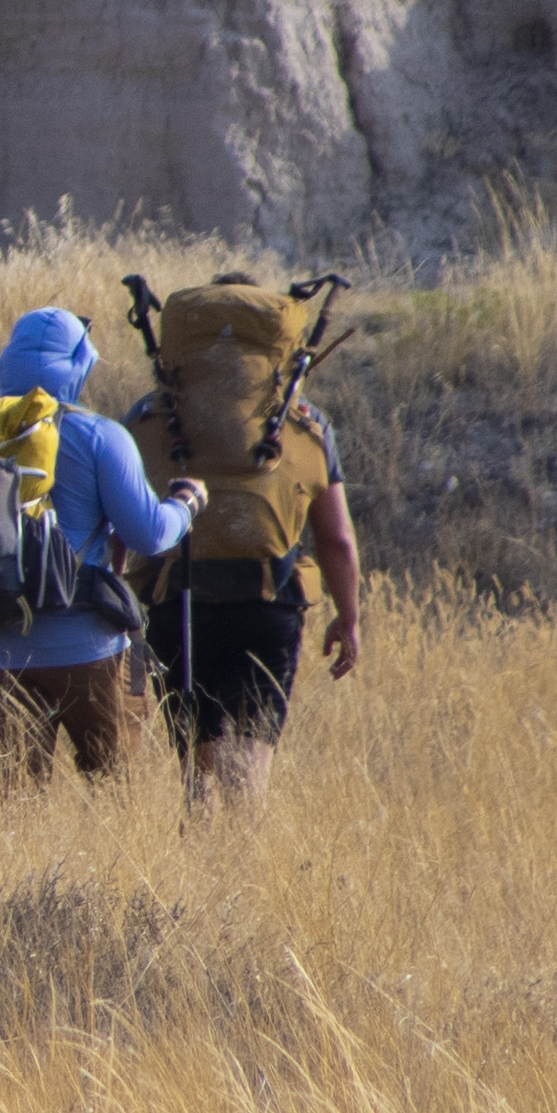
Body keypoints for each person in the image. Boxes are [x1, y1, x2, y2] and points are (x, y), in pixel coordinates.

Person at [126, 310, 369, 809]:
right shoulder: (304, 423)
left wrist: (120, 614)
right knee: (249, 761)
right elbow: (338, 539)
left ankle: (196, 879)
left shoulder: (150, 418)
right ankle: (243, 875)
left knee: (197, 771)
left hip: (177, 603)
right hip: (268, 604)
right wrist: (349, 618)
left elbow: (121, 525)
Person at [0, 305, 186, 786]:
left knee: (17, 806)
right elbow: (148, 534)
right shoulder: (100, 436)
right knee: (118, 796)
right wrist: (186, 504)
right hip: (87, 644)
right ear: (78, 366)